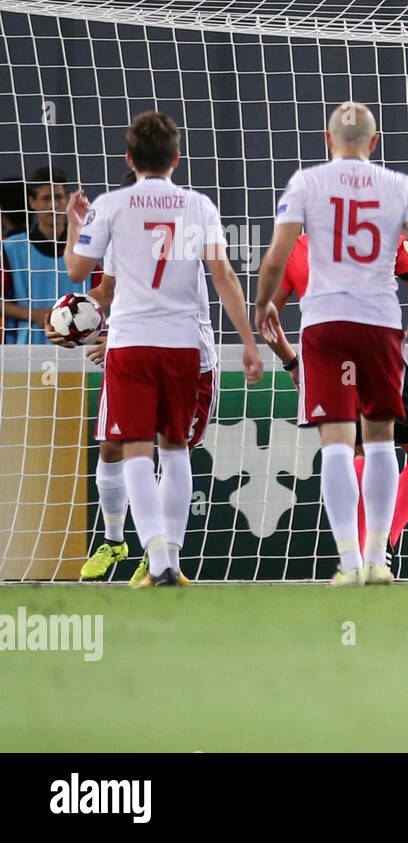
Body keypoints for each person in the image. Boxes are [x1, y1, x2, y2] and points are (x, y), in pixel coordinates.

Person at [63, 111, 263, 587]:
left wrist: (76, 224)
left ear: (129, 158)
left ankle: (154, 557)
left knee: (135, 449)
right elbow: (225, 278)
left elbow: (76, 272)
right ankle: (167, 558)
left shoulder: (110, 206)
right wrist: (250, 342)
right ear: (177, 157)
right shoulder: (199, 206)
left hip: (130, 344)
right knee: (175, 452)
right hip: (181, 347)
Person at [255, 101, 408, 587]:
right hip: (378, 324)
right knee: (384, 442)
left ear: (327, 139)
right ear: (374, 142)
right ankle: (379, 557)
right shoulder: (395, 186)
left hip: (324, 326)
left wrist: (262, 306)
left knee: (339, 445)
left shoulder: (306, 185)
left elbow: (277, 259)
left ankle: (348, 561)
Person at [58, 170, 221, 585]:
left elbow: (165, 297)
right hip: (135, 350)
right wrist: (70, 320)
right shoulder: (121, 226)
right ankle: (116, 540)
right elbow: (104, 291)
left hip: (189, 353)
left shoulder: (188, 215)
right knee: (113, 446)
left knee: (171, 448)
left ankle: (162, 554)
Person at [265, 232, 408, 565]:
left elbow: (265, 317)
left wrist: (292, 363)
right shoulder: (381, 232)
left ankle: (354, 557)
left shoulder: (295, 246)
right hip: (374, 344)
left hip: (323, 353)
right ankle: (382, 542)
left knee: (348, 450)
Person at [2, 166, 83, 344]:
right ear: (32, 202)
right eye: (46, 198)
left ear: (68, 199)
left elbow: (103, 294)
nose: (53, 205)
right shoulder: (11, 248)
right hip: (26, 352)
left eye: (58, 197)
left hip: (78, 351)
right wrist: (34, 314)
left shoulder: (86, 246)